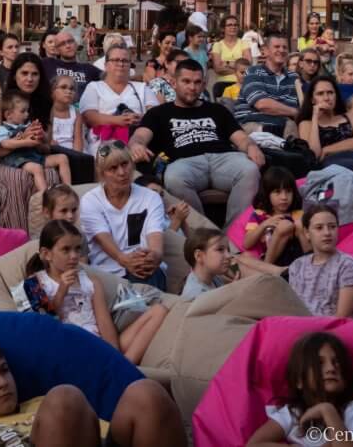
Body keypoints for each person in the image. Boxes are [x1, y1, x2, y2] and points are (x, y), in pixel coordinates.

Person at [0, 335, 185, 447]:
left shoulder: (43, 404)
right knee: (64, 398)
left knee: (147, 393)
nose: (2, 382)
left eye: (4, 370)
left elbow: (100, 436)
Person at [127, 59, 263, 225]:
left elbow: (240, 138)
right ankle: (204, 234)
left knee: (250, 169)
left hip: (223, 159)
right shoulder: (158, 113)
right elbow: (140, 136)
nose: (192, 87)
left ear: (203, 84)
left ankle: (235, 234)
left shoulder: (217, 109)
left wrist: (251, 146)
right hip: (184, 162)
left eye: (197, 82)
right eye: (186, 81)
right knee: (174, 178)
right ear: (173, 83)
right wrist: (136, 145)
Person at [24, 220, 167, 365]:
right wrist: (61, 290)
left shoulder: (91, 282)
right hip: (67, 350)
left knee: (159, 311)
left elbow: (104, 323)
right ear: (46, 254)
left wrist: (113, 354)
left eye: (77, 249)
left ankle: (123, 367)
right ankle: (123, 370)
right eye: (66, 250)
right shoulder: (33, 283)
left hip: (97, 346)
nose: (74, 256)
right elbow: (41, 331)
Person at [246, 332, 353, 447]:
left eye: (336, 363)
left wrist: (328, 411)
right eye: (320, 363)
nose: (331, 369)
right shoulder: (293, 413)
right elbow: (253, 445)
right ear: (299, 380)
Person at [79, 143, 167, 290]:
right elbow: (102, 238)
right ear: (102, 173)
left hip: (145, 269)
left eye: (125, 164)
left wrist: (154, 256)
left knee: (149, 274)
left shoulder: (151, 197)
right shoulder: (90, 200)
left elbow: (155, 237)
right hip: (106, 273)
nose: (122, 172)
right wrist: (125, 260)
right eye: (113, 168)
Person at [288, 204, 353, 318]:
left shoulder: (347, 265)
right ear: (307, 233)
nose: (327, 233)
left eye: (332, 227)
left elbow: (341, 317)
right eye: (319, 228)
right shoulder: (297, 265)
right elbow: (291, 308)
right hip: (295, 324)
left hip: (328, 331)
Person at [0, 91, 72, 193]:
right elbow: (4, 143)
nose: (27, 114)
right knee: (37, 168)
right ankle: (45, 195)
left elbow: (44, 141)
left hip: (34, 156)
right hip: (18, 159)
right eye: (23, 111)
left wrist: (41, 133)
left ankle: (68, 189)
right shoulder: (4, 129)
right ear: (8, 115)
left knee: (62, 158)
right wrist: (25, 142)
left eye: (27, 111)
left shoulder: (27, 125)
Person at [79, 45, 146, 154]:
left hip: (136, 139)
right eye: (115, 60)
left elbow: (155, 114)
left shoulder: (142, 87)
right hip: (102, 145)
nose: (121, 64)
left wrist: (139, 117)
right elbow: (88, 117)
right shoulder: (94, 87)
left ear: (130, 65)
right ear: (106, 65)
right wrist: (118, 120)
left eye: (125, 60)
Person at [234, 32, 299, 137]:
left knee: (293, 130)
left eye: (285, 47)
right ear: (265, 51)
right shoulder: (253, 72)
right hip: (252, 124)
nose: (282, 50)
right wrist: (295, 112)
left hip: (284, 126)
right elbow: (262, 104)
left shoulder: (294, 78)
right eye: (277, 47)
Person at [41, 31, 101, 101]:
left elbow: (110, 79)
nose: (68, 46)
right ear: (57, 50)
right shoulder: (48, 64)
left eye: (70, 41)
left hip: (82, 110)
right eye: (62, 44)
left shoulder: (88, 68)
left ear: (76, 44)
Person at [180, 227, 234, 300]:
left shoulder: (213, 277)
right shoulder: (196, 296)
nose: (229, 256)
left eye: (228, 250)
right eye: (220, 249)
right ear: (199, 256)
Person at [210, 15, 248, 96]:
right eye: (229, 25)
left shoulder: (244, 43)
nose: (233, 27)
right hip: (222, 83)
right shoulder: (217, 45)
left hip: (241, 83)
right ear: (223, 28)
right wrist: (239, 70)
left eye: (235, 25)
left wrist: (226, 63)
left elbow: (247, 66)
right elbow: (217, 69)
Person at [49, 74, 83, 152]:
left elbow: (78, 140)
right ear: (52, 91)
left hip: (72, 152)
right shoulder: (47, 111)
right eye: (63, 87)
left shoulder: (76, 113)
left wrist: (76, 157)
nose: (68, 91)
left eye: (72, 89)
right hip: (52, 150)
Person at [0, 33, 21, 100]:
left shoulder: (24, 70)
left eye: (16, 47)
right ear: (1, 52)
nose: (15, 50)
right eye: (10, 47)